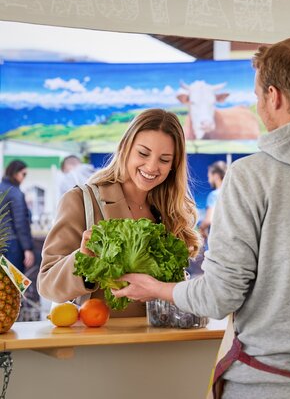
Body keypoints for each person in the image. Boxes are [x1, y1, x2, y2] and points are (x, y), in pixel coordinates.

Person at [111, 37, 290, 399]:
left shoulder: (250, 176)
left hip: (264, 389)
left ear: (274, 97)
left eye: (258, 95)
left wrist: (155, 289)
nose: (258, 104)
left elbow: (219, 296)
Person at [38, 108, 201, 318]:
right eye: (143, 153)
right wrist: (84, 261)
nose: (152, 166)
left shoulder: (170, 212)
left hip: (160, 342)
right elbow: (46, 284)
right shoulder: (81, 200)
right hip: (101, 344)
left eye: (164, 159)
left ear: (174, 165)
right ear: (125, 148)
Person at [0, 160, 35, 272]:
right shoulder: (15, 193)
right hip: (13, 243)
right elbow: (20, 223)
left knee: (4, 286)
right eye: (23, 174)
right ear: (15, 173)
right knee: (15, 285)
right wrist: (27, 248)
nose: (24, 177)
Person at [199, 160, 227, 241]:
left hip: (217, 240)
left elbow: (208, 220)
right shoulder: (230, 193)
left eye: (209, 176)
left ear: (216, 176)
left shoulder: (214, 195)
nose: (208, 180)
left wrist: (201, 229)